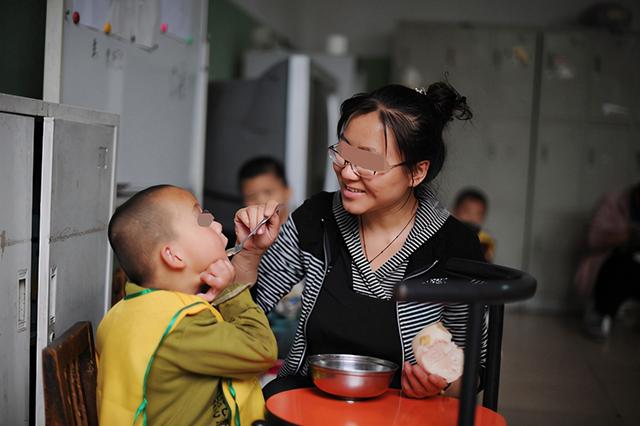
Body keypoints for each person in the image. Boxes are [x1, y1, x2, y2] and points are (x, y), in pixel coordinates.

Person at [233, 82, 489, 400]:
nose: (348, 173)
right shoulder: (317, 218)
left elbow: (476, 366)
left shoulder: (454, 246)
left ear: (417, 172)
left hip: (404, 414)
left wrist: (441, 383)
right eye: (343, 153)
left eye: (368, 163)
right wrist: (250, 254)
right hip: (307, 401)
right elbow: (243, 311)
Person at [96, 185, 278, 425]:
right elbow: (262, 351)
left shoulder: (136, 310)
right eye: (202, 220)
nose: (215, 224)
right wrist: (230, 289)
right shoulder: (181, 326)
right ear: (174, 256)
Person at [238, 157, 302, 361]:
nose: (260, 202)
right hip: (266, 320)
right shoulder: (245, 238)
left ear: (287, 192)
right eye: (251, 196)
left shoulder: (304, 228)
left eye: (268, 192)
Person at [576, 182, 640, 338]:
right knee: (620, 266)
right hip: (608, 263)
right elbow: (593, 238)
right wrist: (629, 235)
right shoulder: (614, 201)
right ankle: (598, 315)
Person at [452, 188, 495, 262]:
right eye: (466, 212)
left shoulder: (485, 241)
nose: (471, 218)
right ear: (455, 210)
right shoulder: (447, 234)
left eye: (478, 214)